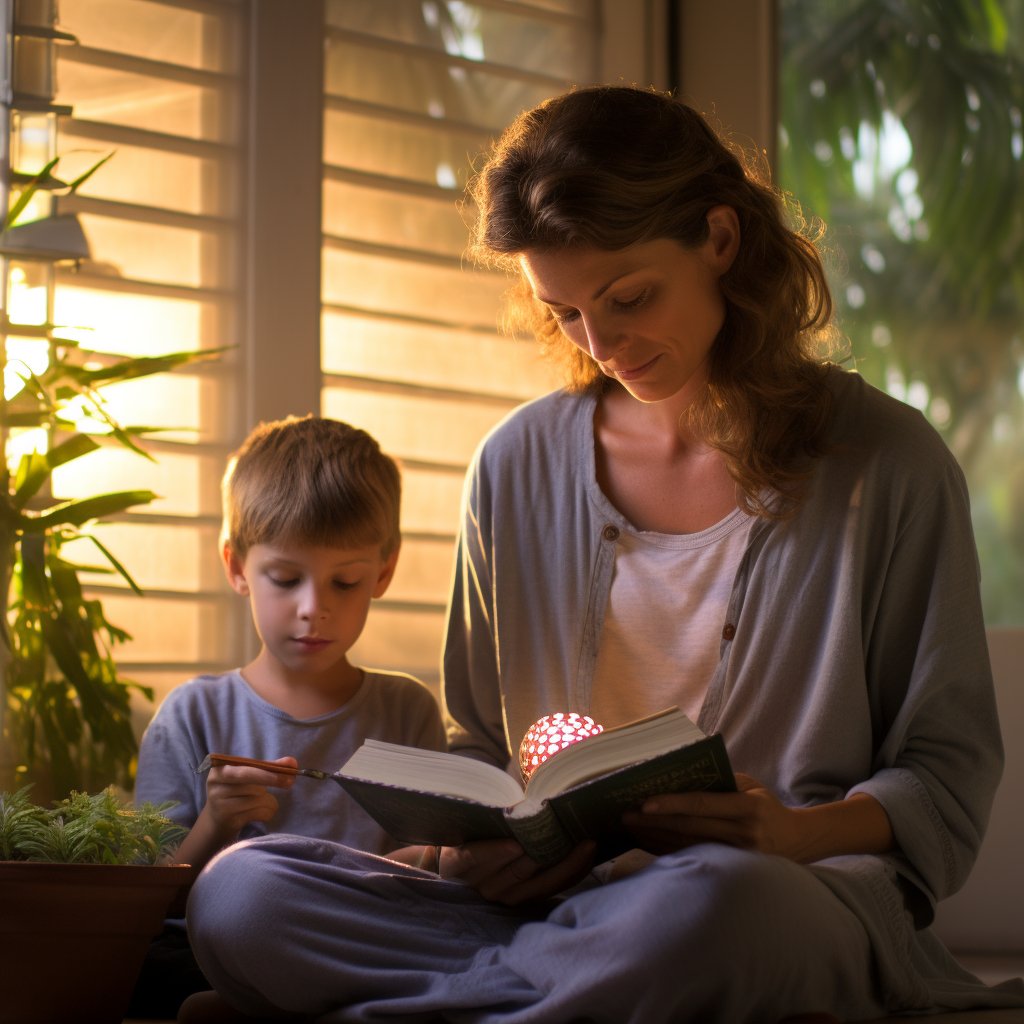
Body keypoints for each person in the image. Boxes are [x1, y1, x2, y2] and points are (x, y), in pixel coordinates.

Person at [181, 86, 1024, 1024]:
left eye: (628, 297)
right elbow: (484, 746)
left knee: (708, 907)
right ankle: (547, 995)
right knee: (241, 892)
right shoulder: (514, 464)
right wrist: (479, 847)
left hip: (775, 900)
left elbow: (943, 775)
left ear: (721, 239)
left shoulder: (888, 464)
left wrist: (791, 833)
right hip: (545, 912)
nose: (603, 342)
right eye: (568, 312)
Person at [129, 415, 446, 1018]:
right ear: (237, 567)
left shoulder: (408, 712)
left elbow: (426, 882)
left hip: (365, 939)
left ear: (383, 571)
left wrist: (428, 860)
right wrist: (217, 823)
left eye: (345, 582)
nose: (313, 610)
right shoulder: (193, 715)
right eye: (286, 578)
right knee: (165, 954)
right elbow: (154, 901)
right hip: (226, 944)